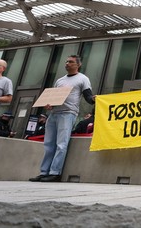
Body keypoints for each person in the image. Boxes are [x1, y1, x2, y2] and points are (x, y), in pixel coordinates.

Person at [29, 55, 96, 183]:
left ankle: (55, 173)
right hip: (54, 113)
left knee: (61, 144)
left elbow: (88, 96)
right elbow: (53, 97)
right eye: (66, 61)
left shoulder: (83, 78)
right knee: (49, 143)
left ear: (78, 65)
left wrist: (94, 99)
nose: (67, 63)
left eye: (70, 62)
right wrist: (49, 105)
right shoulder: (59, 80)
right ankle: (44, 172)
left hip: (68, 113)